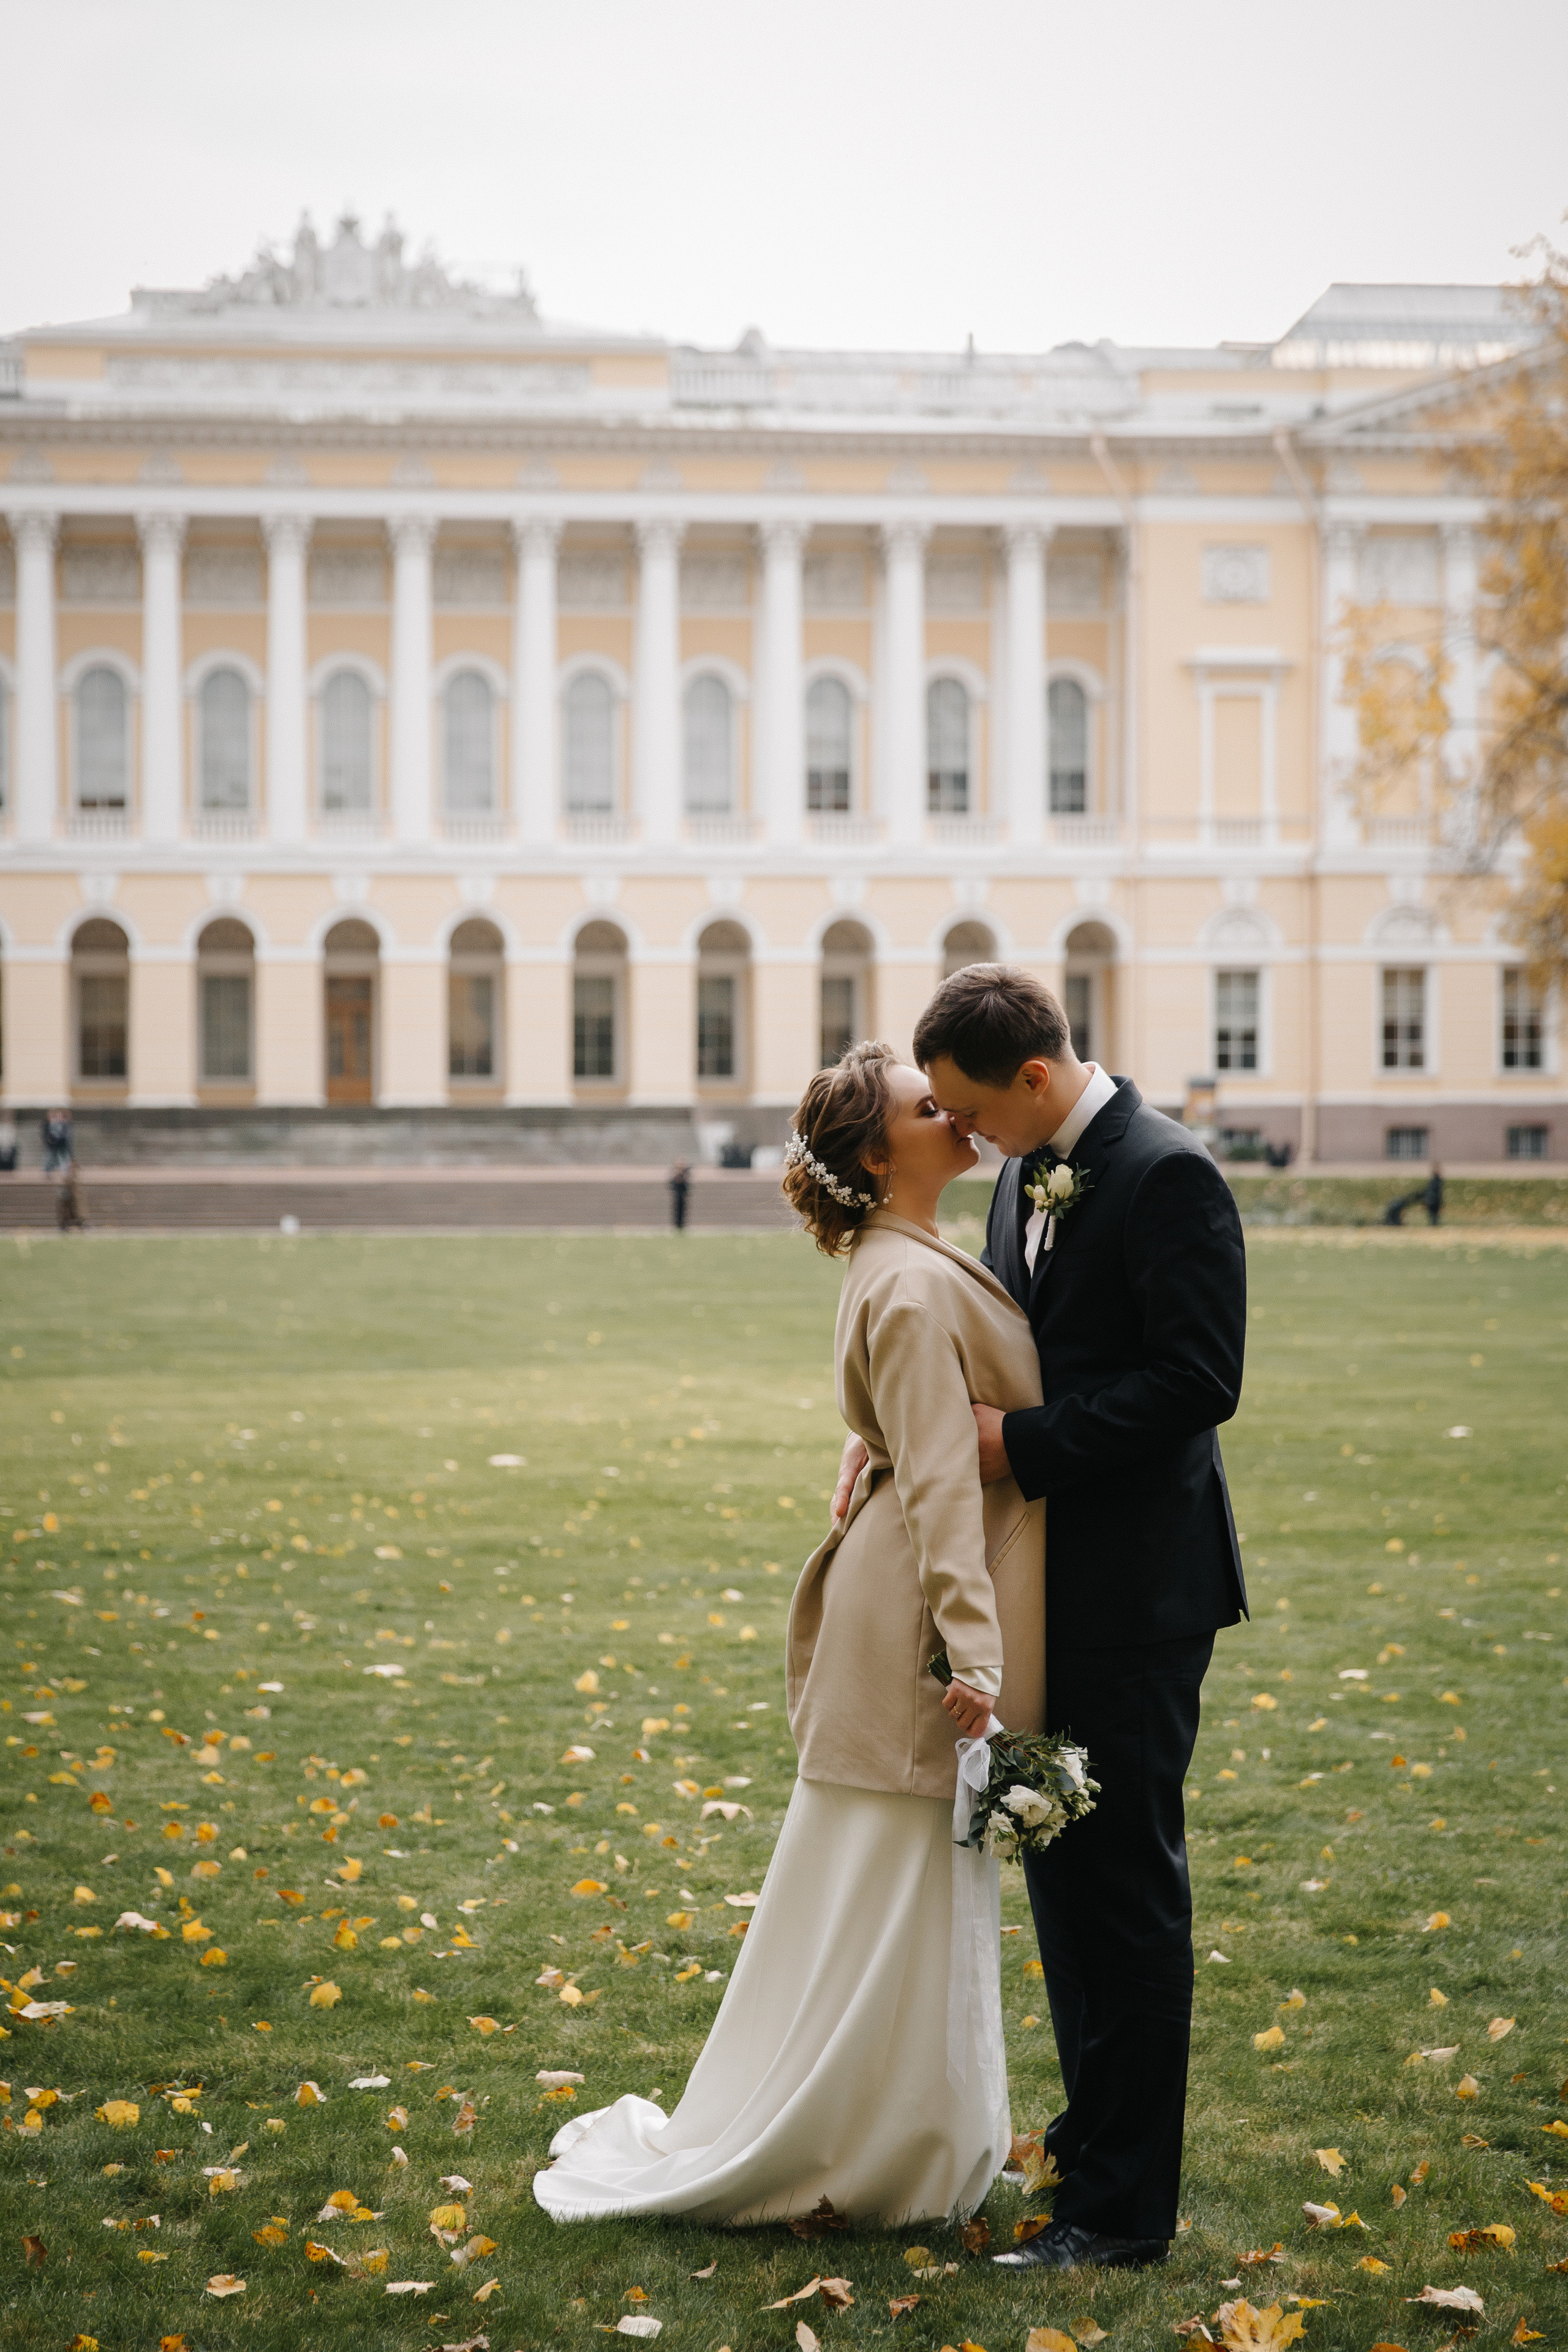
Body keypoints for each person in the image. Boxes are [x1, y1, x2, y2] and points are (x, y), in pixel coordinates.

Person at [535, 1041, 1046, 2226]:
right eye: (925, 1105)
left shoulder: (907, 1260)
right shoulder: (907, 1281)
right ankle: (876, 2145)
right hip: (913, 1616)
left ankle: (909, 2134)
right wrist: (974, 1654)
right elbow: (939, 1485)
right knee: (889, 1888)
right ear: (878, 1156)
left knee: (895, 1888)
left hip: (904, 1596)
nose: (952, 1110)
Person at [833, 966, 1248, 2273]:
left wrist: (1016, 1446)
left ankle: (1120, 2217)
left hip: (1140, 1595)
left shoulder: (1167, 1174)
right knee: (1065, 1885)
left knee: (1123, 1899)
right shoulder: (1024, 1170)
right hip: (1048, 1592)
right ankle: (1088, 2151)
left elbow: (1197, 1380)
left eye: (971, 1111)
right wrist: (889, 1437)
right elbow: (1000, 1352)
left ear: (1031, 1074)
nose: (963, 1135)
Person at [42, 1106, 74, 1175]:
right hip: (54, 1144)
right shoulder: (53, 1124)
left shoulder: (64, 1124)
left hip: (62, 1143)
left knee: (64, 1157)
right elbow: (52, 1133)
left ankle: (65, 1170)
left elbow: (65, 1134)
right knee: (51, 1157)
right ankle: (49, 1170)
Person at [668, 1158, 691, 1231]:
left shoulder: (685, 1173)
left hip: (683, 1195)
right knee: (676, 1210)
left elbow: (687, 1185)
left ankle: (682, 1225)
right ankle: (677, 1225)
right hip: (677, 1195)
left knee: (683, 1211)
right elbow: (671, 1184)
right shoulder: (674, 1174)